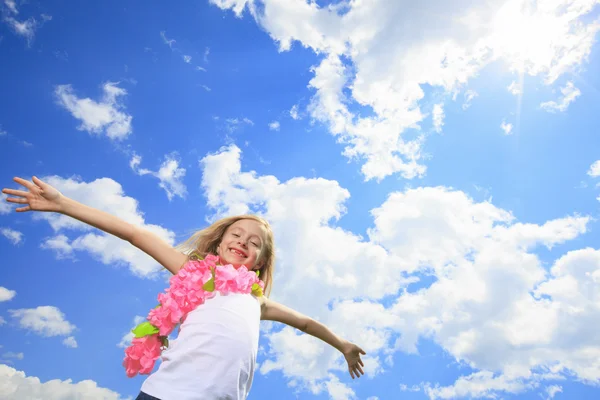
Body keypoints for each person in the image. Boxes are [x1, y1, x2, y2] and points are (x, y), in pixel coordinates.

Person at [2, 176, 366, 400]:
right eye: (236, 234)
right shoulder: (194, 272)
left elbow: (305, 322)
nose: (243, 241)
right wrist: (64, 204)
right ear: (220, 243)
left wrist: (343, 345)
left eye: (254, 242)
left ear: (259, 261)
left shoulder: (259, 303)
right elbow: (135, 234)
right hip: (168, 396)